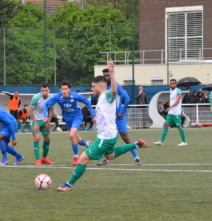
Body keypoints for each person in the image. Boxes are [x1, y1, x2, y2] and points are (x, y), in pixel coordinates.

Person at [56, 61, 148, 192]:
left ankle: (68, 184)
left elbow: (115, 90)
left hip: (105, 138)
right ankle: (137, 144)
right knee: (109, 156)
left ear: (100, 86)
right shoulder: (101, 98)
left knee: (82, 159)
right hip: (110, 135)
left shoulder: (107, 95)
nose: (91, 89)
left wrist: (112, 72)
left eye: (93, 86)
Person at [42, 80, 95, 166]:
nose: (64, 91)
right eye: (62, 89)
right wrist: (44, 116)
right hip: (67, 119)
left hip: (77, 117)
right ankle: (87, 143)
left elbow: (87, 102)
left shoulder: (75, 96)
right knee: (76, 139)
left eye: (65, 89)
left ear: (69, 89)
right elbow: (46, 104)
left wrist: (93, 116)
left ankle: (76, 158)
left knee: (71, 135)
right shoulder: (58, 97)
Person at [97, 67, 141, 165]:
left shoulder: (115, 86)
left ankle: (136, 158)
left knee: (125, 137)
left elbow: (127, 99)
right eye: (105, 75)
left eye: (108, 75)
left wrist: (121, 111)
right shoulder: (102, 87)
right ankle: (106, 159)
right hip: (109, 117)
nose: (106, 77)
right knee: (107, 137)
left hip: (118, 116)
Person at [0, 98, 24, 166]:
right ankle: (19, 157)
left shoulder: (0, 113)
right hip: (4, 124)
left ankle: (4, 159)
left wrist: (14, 138)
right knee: (4, 145)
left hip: (12, 124)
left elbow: (10, 124)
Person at [154, 79, 187, 146]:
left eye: (173, 84)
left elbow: (178, 101)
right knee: (166, 125)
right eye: (171, 84)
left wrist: (169, 107)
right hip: (171, 112)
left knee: (179, 126)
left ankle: (184, 142)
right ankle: (161, 141)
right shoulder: (171, 90)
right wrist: (170, 108)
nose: (172, 85)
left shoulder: (178, 91)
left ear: (176, 84)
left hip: (176, 112)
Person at [29, 84, 55, 165]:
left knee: (47, 138)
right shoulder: (36, 98)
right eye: (42, 90)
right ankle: (37, 160)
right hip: (35, 120)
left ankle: (44, 158)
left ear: (49, 91)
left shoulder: (51, 98)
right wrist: (35, 124)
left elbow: (51, 110)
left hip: (44, 120)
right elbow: (31, 111)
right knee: (37, 138)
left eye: (46, 90)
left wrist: (48, 122)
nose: (44, 92)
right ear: (40, 91)